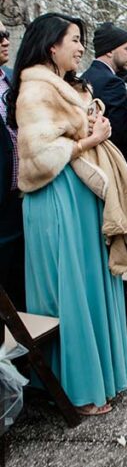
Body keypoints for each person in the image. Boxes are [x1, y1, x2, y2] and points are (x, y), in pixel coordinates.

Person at [8, 13, 127, 415]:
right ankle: (77, 390)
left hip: (76, 195)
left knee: (87, 283)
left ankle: (95, 378)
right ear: (51, 46)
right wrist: (90, 139)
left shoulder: (61, 86)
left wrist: (92, 125)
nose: (81, 47)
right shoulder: (35, 89)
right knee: (70, 289)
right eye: (74, 40)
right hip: (56, 198)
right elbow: (38, 158)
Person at [82, 22, 127, 179]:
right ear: (109, 50)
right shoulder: (112, 82)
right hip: (115, 166)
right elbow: (121, 134)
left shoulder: (84, 77)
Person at [0, 21, 24, 307]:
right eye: (0, 36)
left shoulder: (10, 78)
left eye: (7, 34)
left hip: (20, 193)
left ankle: (20, 348)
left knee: (18, 279)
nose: (6, 40)